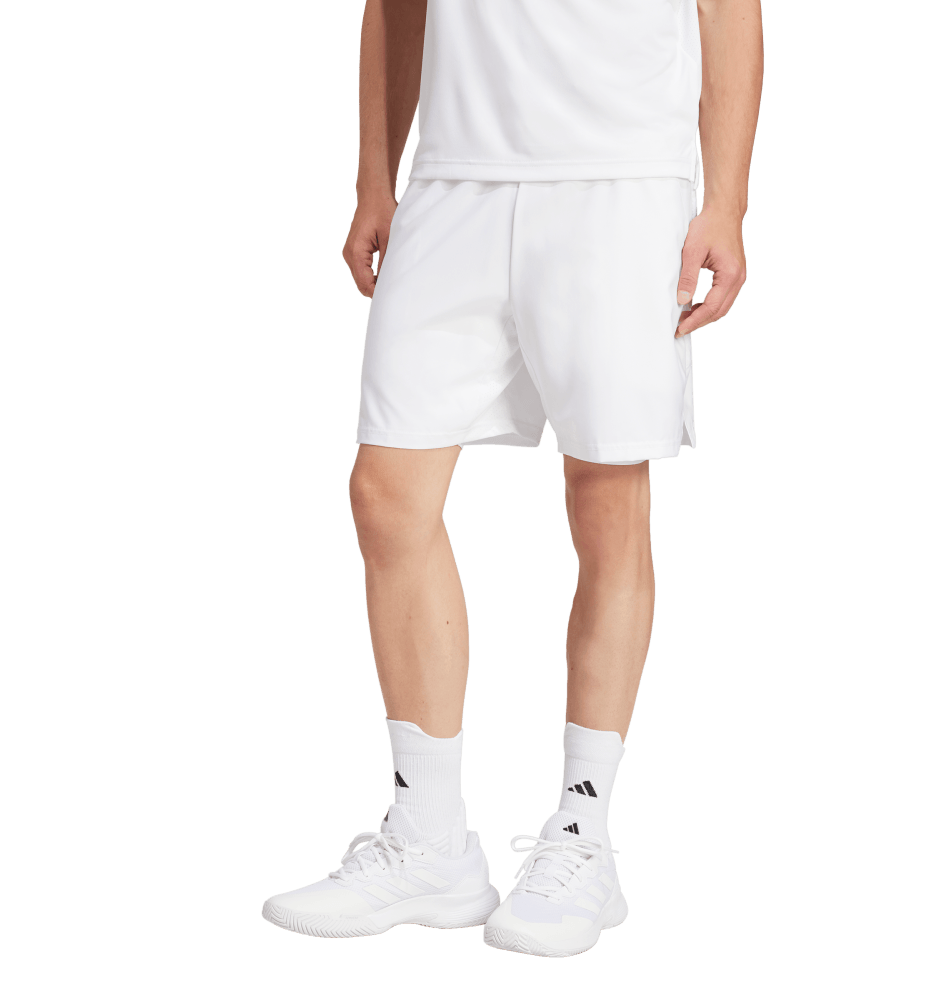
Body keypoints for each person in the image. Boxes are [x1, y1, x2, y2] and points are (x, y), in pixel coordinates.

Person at [261, 0, 763, 958]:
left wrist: (727, 200)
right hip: (454, 177)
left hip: (621, 179)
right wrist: (375, 177)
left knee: (606, 506)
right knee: (385, 493)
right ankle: (430, 841)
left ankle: (582, 835)